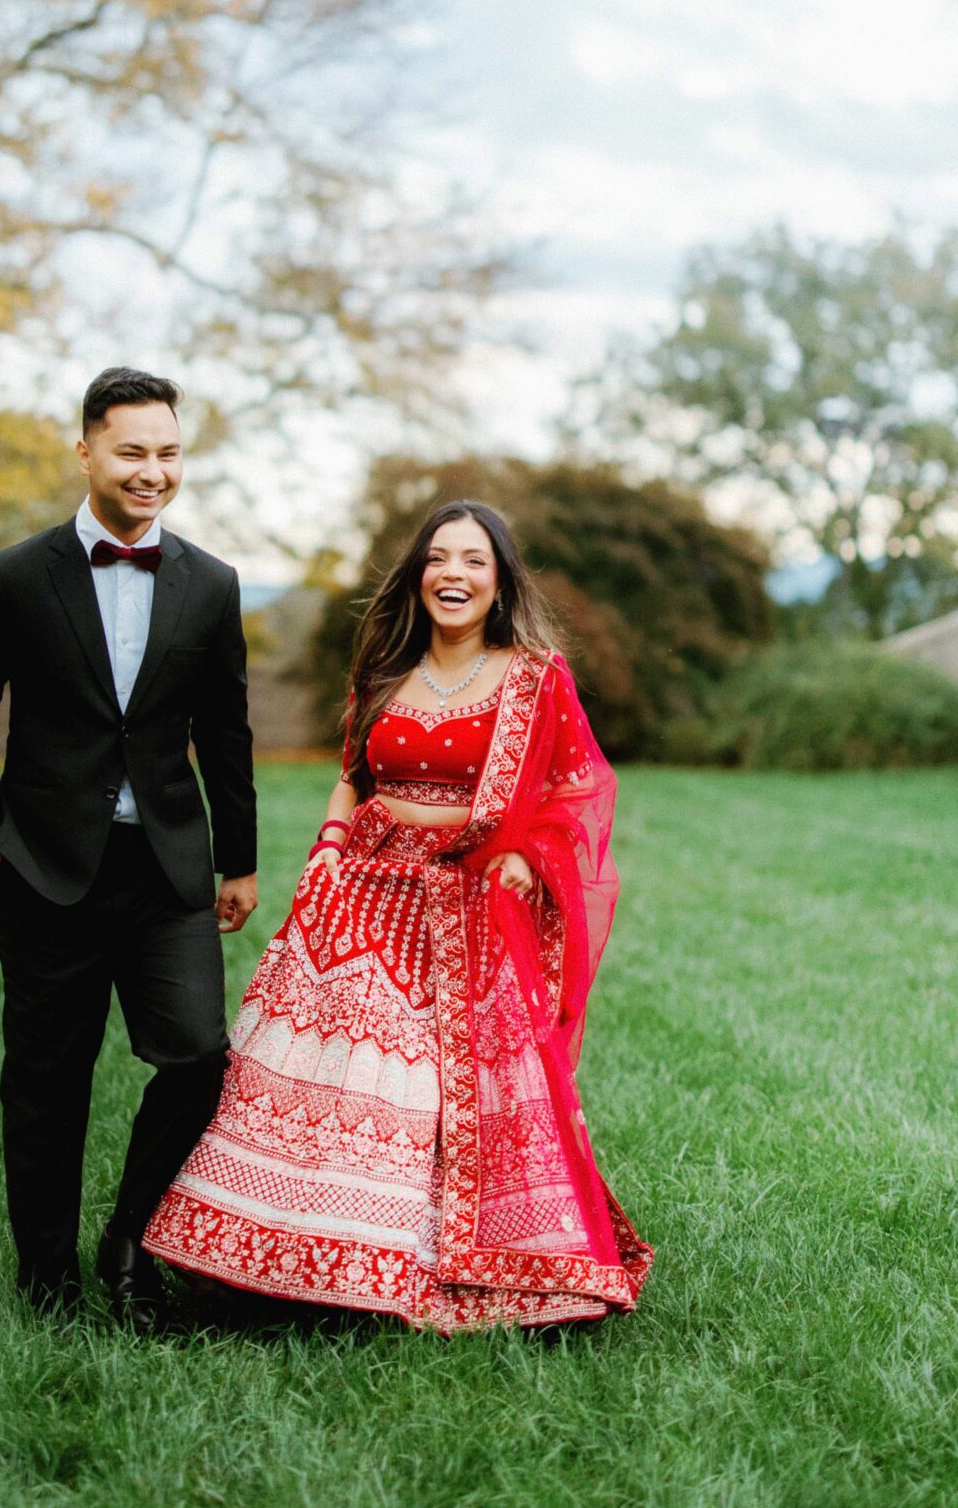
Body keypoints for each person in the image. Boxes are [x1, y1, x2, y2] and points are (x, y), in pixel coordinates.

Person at [143, 500, 652, 1333]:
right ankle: (285, 1259)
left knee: (427, 1085)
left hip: (470, 899)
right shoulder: (385, 667)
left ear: (500, 583)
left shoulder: (534, 677)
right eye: (439, 558)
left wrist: (527, 856)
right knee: (335, 1074)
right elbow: (353, 775)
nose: (455, 574)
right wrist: (328, 848)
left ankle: (410, 1262)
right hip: (366, 893)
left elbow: (577, 786)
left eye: (475, 561)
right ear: (418, 575)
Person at [0, 366, 258, 1324]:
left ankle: (129, 1235)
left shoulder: (211, 584)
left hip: (167, 869)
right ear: (85, 453)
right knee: (46, 1081)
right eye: (131, 452)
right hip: (45, 866)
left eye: (169, 453)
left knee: (198, 1058)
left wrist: (237, 859)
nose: (152, 471)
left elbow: (227, 731)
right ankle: (47, 1283)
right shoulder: (13, 578)